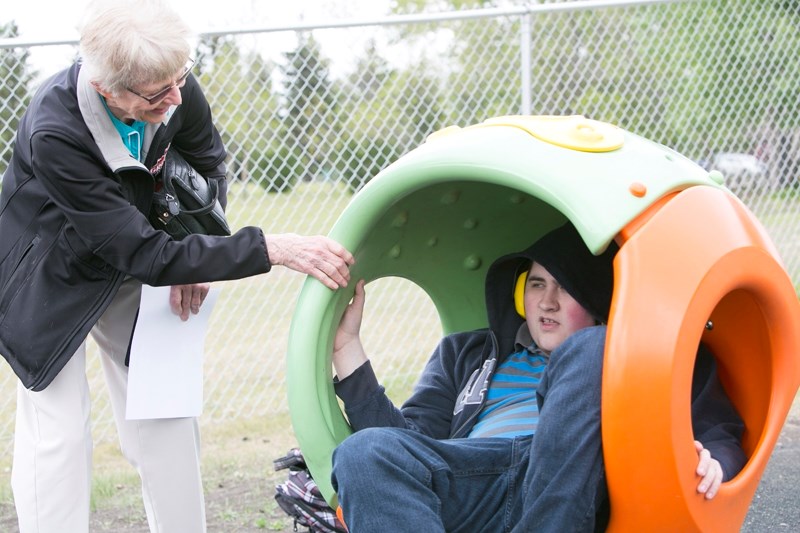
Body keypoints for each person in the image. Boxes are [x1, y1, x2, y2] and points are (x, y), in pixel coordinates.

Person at [0, 1, 354, 532]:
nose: (174, 99)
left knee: (165, 412)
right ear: (106, 89)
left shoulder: (170, 84)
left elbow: (208, 167)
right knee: (60, 431)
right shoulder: (56, 131)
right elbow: (140, 251)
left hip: (135, 254)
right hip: (45, 278)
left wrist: (199, 252)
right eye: (154, 93)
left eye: (178, 80)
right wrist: (268, 249)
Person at [330, 222, 746, 532]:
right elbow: (408, 445)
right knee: (362, 452)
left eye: (565, 287)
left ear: (597, 297)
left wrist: (715, 461)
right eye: (535, 284)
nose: (546, 302)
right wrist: (347, 350)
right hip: (473, 478)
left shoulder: (633, 354)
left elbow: (720, 435)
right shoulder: (465, 353)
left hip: (568, 479)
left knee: (593, 347)